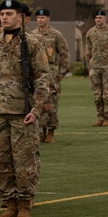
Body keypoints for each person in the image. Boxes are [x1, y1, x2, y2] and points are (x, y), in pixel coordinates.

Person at [0, 0, 51, 217]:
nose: (4, 17)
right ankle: (9, 205)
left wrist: (37, 108)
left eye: (9, 13)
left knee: (24, 162)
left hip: (23, 112)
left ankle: (24, 206)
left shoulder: (31, 43)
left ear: (20, 16)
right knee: (1, 162)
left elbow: (42, 77)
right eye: (2, 13)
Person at [34, 8, 71, 143]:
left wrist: (61, 73)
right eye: (38, 18)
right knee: (39, 101)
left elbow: (64, 54)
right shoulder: (32, 35)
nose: (40, 20)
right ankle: (41, 131)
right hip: (39, 74)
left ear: (48, 19)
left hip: (52, 74)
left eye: (43, 18)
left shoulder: (56, 35)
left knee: (52, 104)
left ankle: (51, 131)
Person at [84, 9, 108, 127]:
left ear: (105, 19)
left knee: (107, 94)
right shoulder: (90, 32)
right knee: (97, 95)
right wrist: (89, 68)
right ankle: (100, 117)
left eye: (100, 17)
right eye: (96, 18)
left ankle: (107, 117)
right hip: (95, 67)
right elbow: (88, 51)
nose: (98, 20)